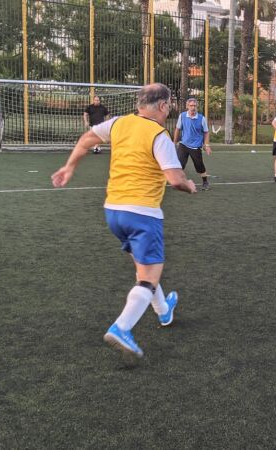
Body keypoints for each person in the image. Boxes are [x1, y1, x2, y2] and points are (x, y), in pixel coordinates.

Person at [52, 83, 197, 359]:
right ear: (163, 106)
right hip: (142, 213)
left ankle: (164, 310)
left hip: (113, 211)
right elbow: (175, 180)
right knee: (149, 277)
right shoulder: (159, 135)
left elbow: (86, 139)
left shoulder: (118, 123)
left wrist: (69, 167)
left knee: (144, 268)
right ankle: (122, 327)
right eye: (169, 105)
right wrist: (189, 186)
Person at [173, 97, 212, 190]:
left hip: (195, 147)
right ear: (187, 106)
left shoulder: (201, 118)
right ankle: (178, 182)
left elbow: (206, 132)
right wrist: (174, 142)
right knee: (180, 164)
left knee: (199, 166)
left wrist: (207, 145)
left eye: (194, 106)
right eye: (191, 106)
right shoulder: (182, 116)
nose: (193, 108)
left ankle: (205, 182)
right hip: (183, 144)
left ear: (197, 106)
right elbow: (177, 129)